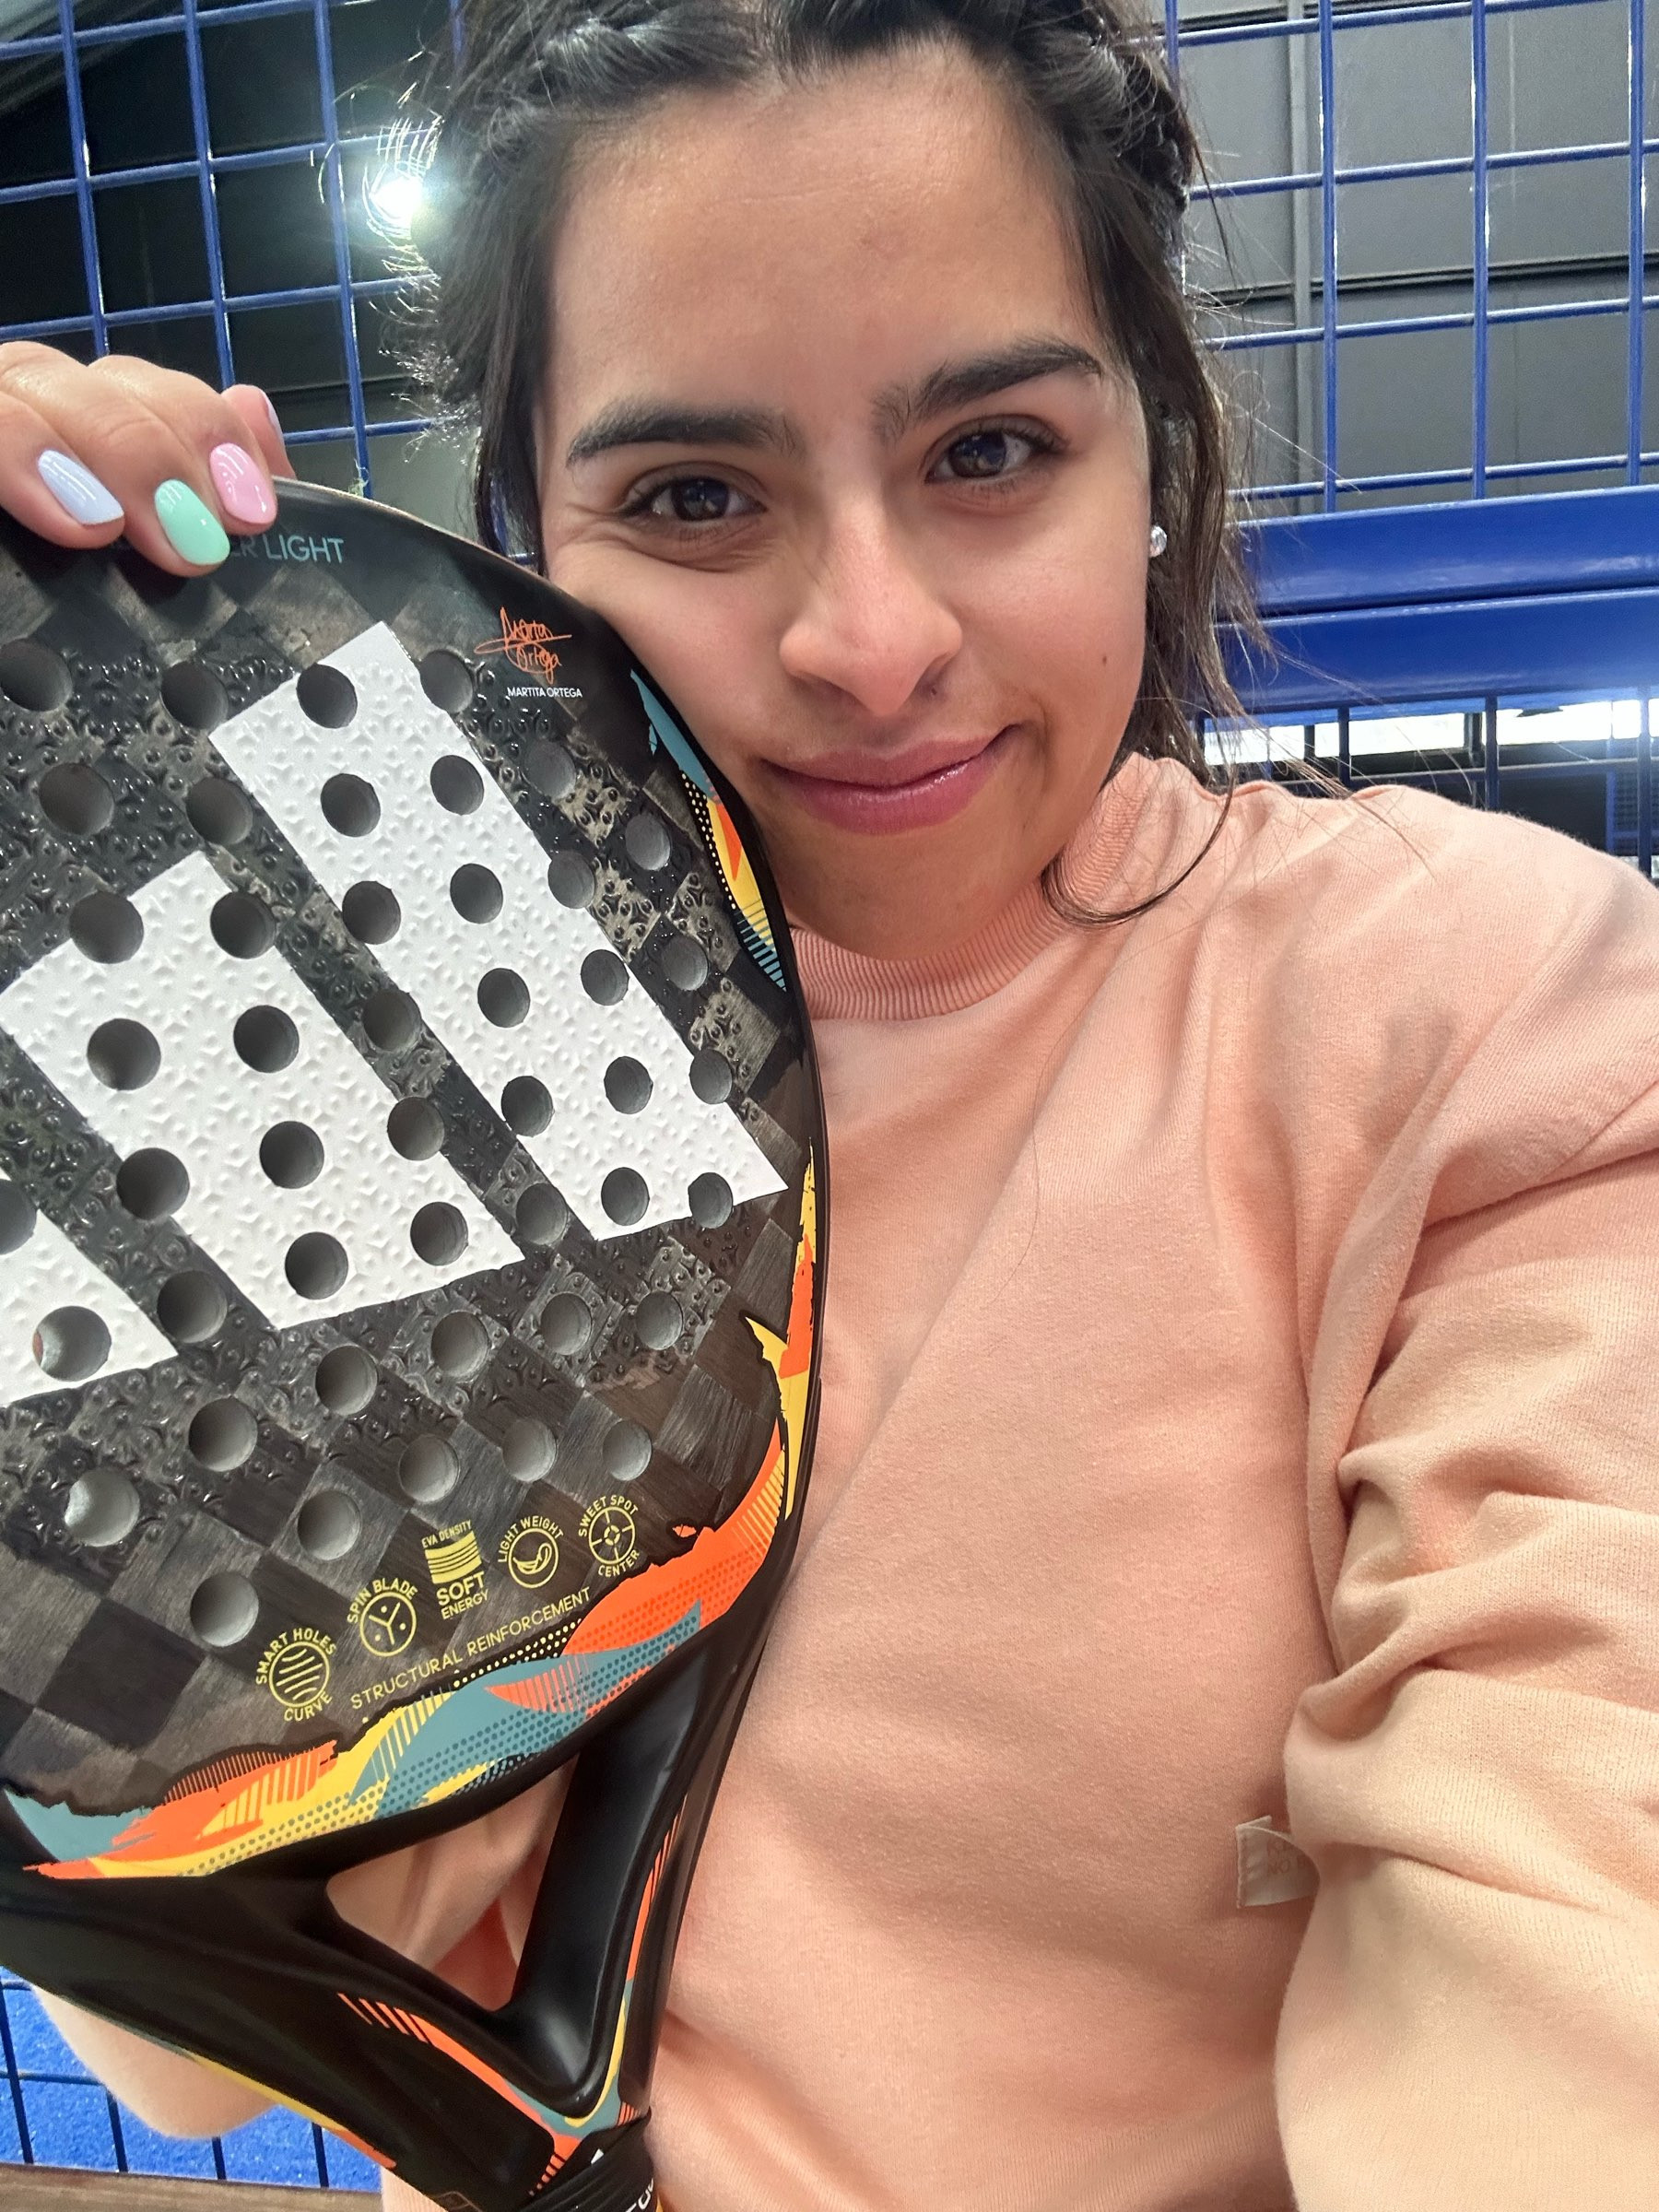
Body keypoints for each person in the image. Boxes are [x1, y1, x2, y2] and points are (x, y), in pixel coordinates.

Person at [4, 2, 1658, 2206]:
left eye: (992, 451)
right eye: (697, 496)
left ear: (1152, 458)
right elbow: (203, 2025)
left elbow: (1575, 1885)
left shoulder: (1488, 1005)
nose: (871, 643)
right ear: (524, 537)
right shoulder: (369, 1025)